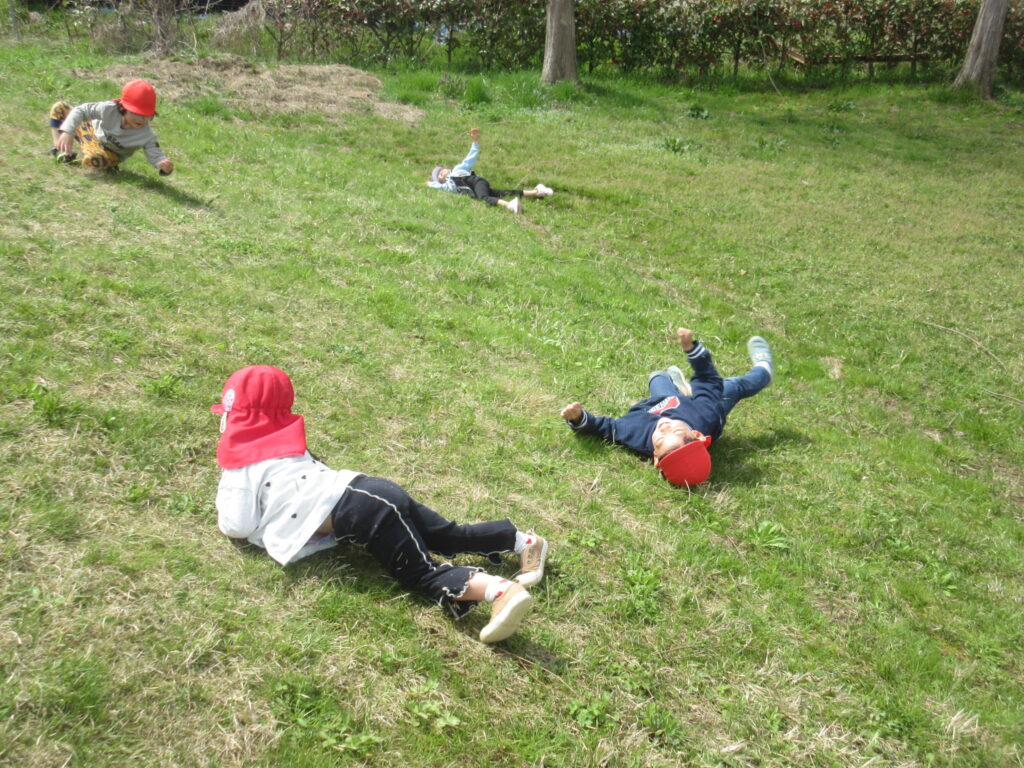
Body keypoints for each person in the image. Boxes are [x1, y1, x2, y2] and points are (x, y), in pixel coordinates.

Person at [211, 365, 548, 643]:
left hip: (363, 511)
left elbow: (236, 525)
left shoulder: (241, 466)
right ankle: (524, 541)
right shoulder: (288, 444)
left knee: (420, 573)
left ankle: (499, 591)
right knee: (448, 535)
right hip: (369, 488)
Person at [559, 328, 774, 487]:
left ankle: (682, 390)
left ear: (654, 456)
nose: (664, 428)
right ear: (697, 434)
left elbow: (603, 428)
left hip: (660, 402)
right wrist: (693, 350)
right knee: (734, 386)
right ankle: (764, 371)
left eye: (660, 440)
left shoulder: (635, 435)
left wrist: (578, 418)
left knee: (657, 376)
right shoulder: (705, 414)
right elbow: (708, 379)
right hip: (707, 404)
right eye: (676, 432)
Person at [47, 79, 174, 175]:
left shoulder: (147, 136)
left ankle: (104, 164)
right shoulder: (109, 108)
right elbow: (82, 110)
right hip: (90, 132)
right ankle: (61, 150)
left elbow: (156, 156)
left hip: (109, 153)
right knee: (59, 108)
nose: (142, 119)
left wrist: (163, 166)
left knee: (93, 159)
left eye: (146, 115)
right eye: (136, 113)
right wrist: (68, 131)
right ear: (123, 107)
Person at [426, 128, 553, 213]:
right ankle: (537, 191)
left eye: (442, 170)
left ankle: (509, 205)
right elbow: (441, 187)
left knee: (483, 197)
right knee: (502, 192)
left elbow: (470, 159)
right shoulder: (449, 186)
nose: (442, 173)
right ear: (441, 181)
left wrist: (475, 141)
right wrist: (431, 184)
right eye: (439, 175)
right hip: (477, 188)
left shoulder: (456, 170)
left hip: (478, 182)